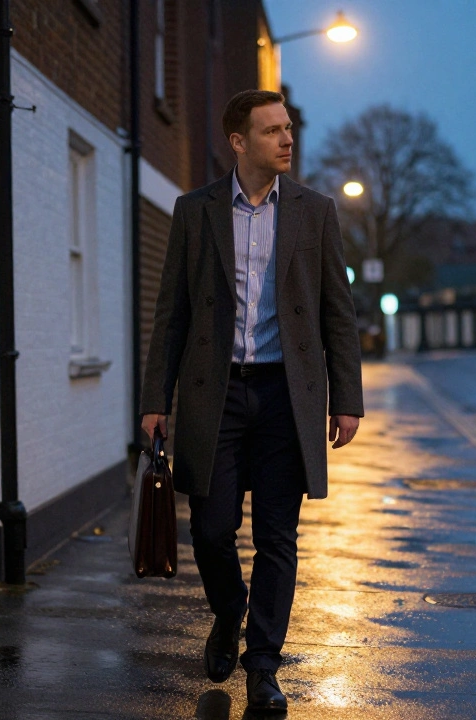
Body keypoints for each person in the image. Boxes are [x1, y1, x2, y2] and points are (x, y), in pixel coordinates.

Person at [139, 89, 364, 713]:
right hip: (218, 394)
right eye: (272, 131)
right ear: (238, 142)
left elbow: (336, 313)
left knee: (277, 537)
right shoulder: (196, 210)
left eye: (288, 128)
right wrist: (155, 396)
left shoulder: (315, 212)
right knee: (211, 531)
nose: (287, 140)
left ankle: (263, 666)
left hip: (286, 395)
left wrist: (346, 398)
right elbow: (172, 312)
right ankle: (229, 609)